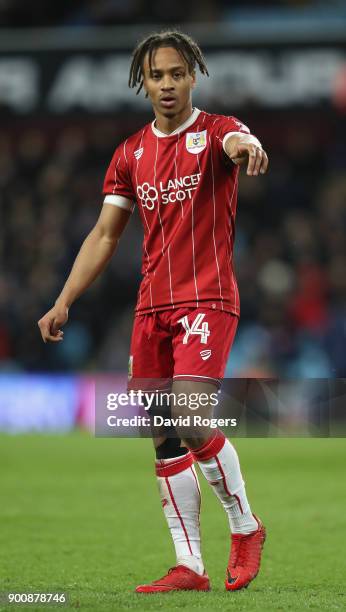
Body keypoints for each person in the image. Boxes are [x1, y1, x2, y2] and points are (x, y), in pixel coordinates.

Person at [38, 30, 269, 594]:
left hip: (206, 299)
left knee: (189, 416)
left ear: (195, 76)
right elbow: (104, 234)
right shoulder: (130, 153)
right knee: (164, 435)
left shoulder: (217, 132)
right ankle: (189, 565)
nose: (167, 84)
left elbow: (241, 141)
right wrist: (64, 299)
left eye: (176, 73)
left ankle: (245, 525)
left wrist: (248, 147)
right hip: (151, 309)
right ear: (142, 81)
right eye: (156, 75)